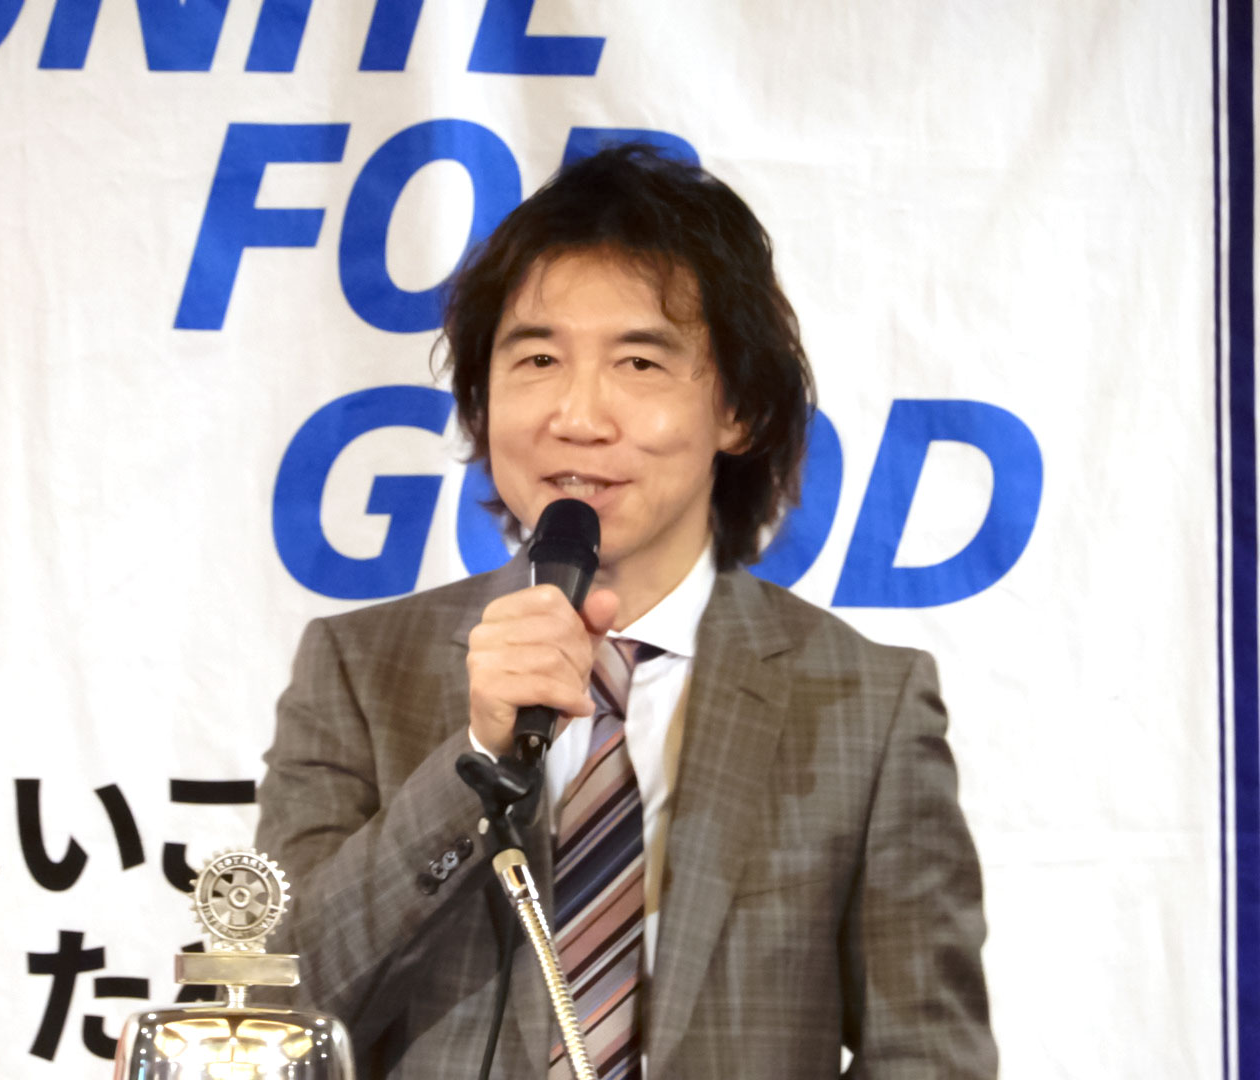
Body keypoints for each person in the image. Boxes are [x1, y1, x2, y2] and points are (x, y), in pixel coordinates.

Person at [255, 144, 997, 1079]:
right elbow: (273, 1009)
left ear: (737, 408)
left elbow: (928, 1057)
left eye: (640, 361)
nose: (578, 415)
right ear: (482, 400)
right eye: (537, 359)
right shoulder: (360, 669)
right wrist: (474, 759)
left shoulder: (865, 704)